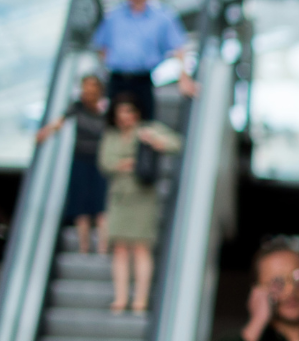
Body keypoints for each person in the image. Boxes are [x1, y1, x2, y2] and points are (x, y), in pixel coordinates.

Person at [96, 97, 179, 313]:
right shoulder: (112, 135)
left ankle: (140, 298)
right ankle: (121, 297)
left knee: (141, 247)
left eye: (129, 111)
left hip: (143, 196)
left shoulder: (148, 130)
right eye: (121, 112)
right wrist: (122, 165)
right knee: (121, 248)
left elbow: (176, 143)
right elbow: (104, 162)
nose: (125, 117)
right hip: (120, 197)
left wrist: (154, 141)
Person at [36, 75, 112, 254]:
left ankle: (103, 245)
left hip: (101, 160)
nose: (88, 91)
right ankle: (84, 246)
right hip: (80, 159)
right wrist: (46, 132)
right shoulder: (77, 106)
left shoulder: (106, 108)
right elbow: (60, 121)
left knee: (101, 203)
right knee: (81, 203)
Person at [90, 0, 198, 121]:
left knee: (145, 124)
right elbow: (101, 47)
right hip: (117, 79)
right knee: (110, 123)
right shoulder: (114, 16)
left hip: (142, 80)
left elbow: (178, 48)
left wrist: (184, 78)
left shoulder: (161, 17)